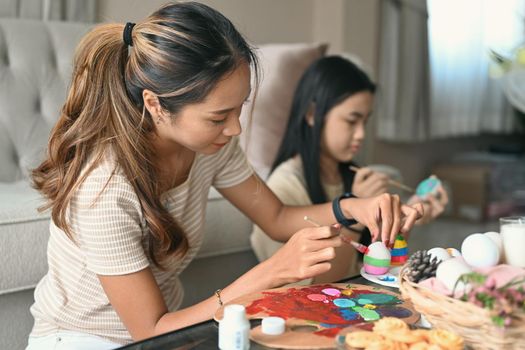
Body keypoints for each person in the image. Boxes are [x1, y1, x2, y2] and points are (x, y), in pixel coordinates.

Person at [26, 4, 422, 349]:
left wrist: (354, 208)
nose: (235, 129)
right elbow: (150, 330)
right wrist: (275, 271)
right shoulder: (104, 189)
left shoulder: (209, 146)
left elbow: (278, 218)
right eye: (218, 116)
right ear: (156, 105)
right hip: (85, 340)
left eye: (240, 108)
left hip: (170, 334)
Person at [251, 56, 448, 283]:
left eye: (365, 122)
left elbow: (382, 266)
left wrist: (403, 220)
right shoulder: (284, 187)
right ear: (312, 114)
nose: (361, 134)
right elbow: (324, 286)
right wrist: (356, 211)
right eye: (351, 121)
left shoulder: (354, 175)